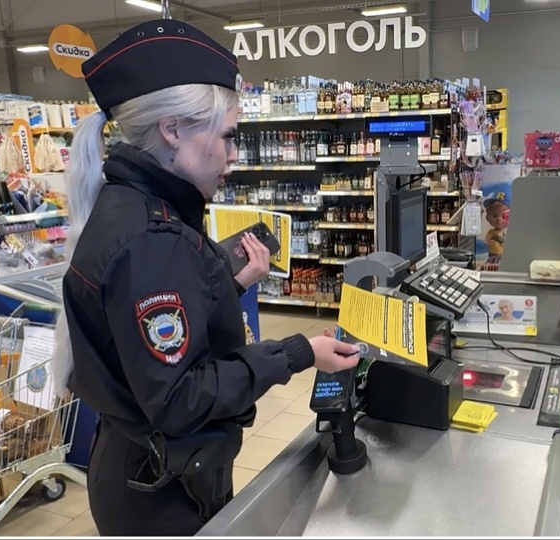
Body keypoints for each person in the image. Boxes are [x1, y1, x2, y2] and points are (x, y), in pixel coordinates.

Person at [51, 19, 360, 536]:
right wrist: (298, 353)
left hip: (153, 471)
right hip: (160, 495)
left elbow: (149, 334)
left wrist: (229, 286)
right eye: (227, 136)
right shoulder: (152, 239)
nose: (234, 156)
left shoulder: (139, 208)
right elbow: (180, 398)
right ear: (173, 130)